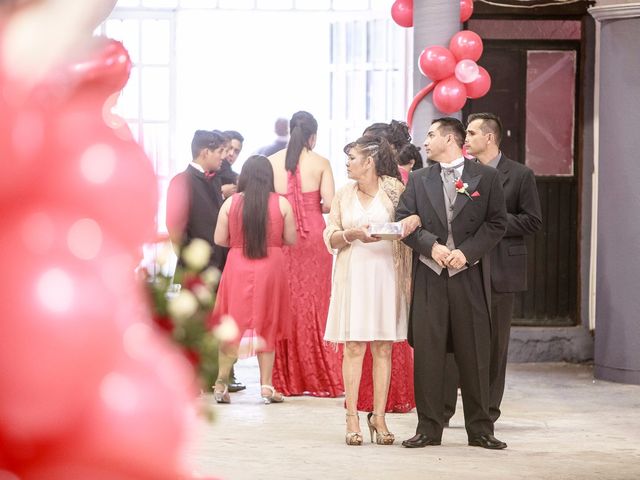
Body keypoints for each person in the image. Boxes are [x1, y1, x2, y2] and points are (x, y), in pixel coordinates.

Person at [396, 117, 508, 450]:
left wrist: (467, 252)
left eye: (431, 135)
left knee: (474, 352)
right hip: (430, 276)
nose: (425, 141)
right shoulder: (417, 179)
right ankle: (428, 427)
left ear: (450, 139)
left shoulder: (485, 177)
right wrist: (431, 245)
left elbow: (497, 222)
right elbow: (405, 222)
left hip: (468, 275)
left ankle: (480, 429)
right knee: (429, 353)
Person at [443, 113, 543, 425]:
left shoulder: (520, 174)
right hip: (465, 265)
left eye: (471, 134)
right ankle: (443, 410)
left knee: (496, 345)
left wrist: (493, 220)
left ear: (489, 138)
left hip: (501, 268)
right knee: (456, 339)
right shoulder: (462, 173)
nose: (466, 139)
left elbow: (532, 220)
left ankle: (487, 413)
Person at [323, 135, 417, 446]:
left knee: (383, 348)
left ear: (369, 161)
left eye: (351, 158)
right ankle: (351, 416)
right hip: (354, 274)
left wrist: (408, 225)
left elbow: (407, 223)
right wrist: (351, 234)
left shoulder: (394, 189)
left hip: (386, 274)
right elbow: (331, 238)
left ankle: (379, 416)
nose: (347, 163)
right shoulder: (342, 195)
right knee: (354, 347)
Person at [211, 155, 297, 404]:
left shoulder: (230, 203)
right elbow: (290, 238)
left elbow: (218, 238)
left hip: (238, 264)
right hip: (271, 266)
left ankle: (220, 382)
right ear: (268, 176)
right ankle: (267, 385)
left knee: (231, 323)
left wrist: (238, 243)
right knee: (267, 322)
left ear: (244, 176)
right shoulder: (281, 204)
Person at [269, 111, 343, 398]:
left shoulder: (271, 161)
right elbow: (330, 204)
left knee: (285, 301)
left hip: (281, 235)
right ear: (313, 135)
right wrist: (309, 205)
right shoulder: (321, 162)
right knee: (316, 301)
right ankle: (320, 375)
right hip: (314, 236)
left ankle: (286, 378)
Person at [356, 120, 416, 414]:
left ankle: (389, 397)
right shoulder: (357, 187)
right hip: (366, 262)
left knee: (388, 333)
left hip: (393, 260)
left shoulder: (398, 183)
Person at [166, 129, 227, 270]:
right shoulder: (181, 181)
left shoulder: (215, 180)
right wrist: (190, 258)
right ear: (206, 152)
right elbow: (175, 227)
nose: (223, 157)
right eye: (220, 151)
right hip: (195, 267)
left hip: (219, 263)